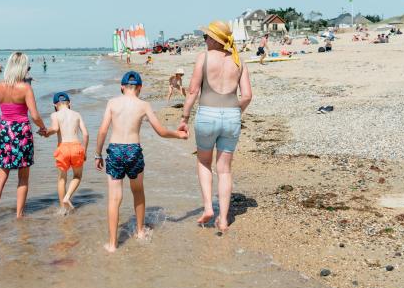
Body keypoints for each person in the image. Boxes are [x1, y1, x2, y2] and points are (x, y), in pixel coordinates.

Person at [95, 71, 188, 253]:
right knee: (138, 191)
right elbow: (160, 131)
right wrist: (179, 134)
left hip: (115, 150)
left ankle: (113, 244)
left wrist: (98, 154)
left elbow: (103, 130)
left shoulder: (112, 103)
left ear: (122, 87)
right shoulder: (144, 105)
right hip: (133, 150)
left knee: (114, 198)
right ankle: (140, 232)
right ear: (140, 88)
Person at [179, 21, 252, 233]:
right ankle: (223, 219)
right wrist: (234, 113)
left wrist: (184, 117)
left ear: (214, 39)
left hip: (207, 116)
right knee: (225, 170)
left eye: (206, 37)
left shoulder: (204, 58)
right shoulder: (239, 61)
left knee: (203, 163)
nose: (205, 41)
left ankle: (209, 208)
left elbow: (192, 91)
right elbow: (247, 96)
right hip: (232, 116)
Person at [0, 52, 47, 227]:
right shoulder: (25, 88)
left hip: (4, 131)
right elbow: (34, 115)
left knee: (1, 177)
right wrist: (42, 127)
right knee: (23, 177)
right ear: (22, 68)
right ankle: (19, 215)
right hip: (22, 133)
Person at [44, 92, 89, 211]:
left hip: (63, 148)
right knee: (77, 176)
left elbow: (55, 129)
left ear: (54, 105)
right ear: (70, 103)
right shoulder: (77, 114)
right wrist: (84, 150)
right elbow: (85, 134)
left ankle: (63, 208)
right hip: (76, 147)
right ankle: (67, 197)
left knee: (62, 179)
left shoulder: (55, 115)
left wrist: (46, 132)